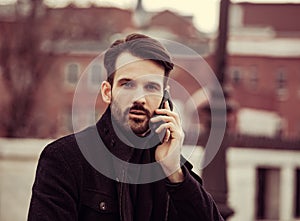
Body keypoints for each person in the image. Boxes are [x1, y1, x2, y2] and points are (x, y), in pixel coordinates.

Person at [28, 33, 224, 221]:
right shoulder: (65, 159)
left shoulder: (171, 167)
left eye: (151, 87)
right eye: (127, 84)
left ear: (165, 98)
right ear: (107, 92)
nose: (139, 98)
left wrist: (175, 173)